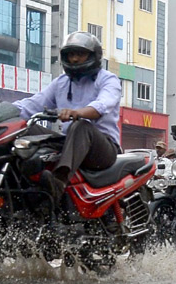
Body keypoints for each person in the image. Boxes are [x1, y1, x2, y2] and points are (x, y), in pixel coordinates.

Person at [15, 32, 122, 201]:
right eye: (71, 54)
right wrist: (1, 110)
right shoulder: (61, 82)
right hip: (68, 145)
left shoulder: (108, 80)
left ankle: (59, 181)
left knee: (81, 126)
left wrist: (77, 113)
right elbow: (32, 105)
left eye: (80, 54)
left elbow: (102, 105)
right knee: (24, 128)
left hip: (103, 149)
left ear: (93, 56)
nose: (74, 59)